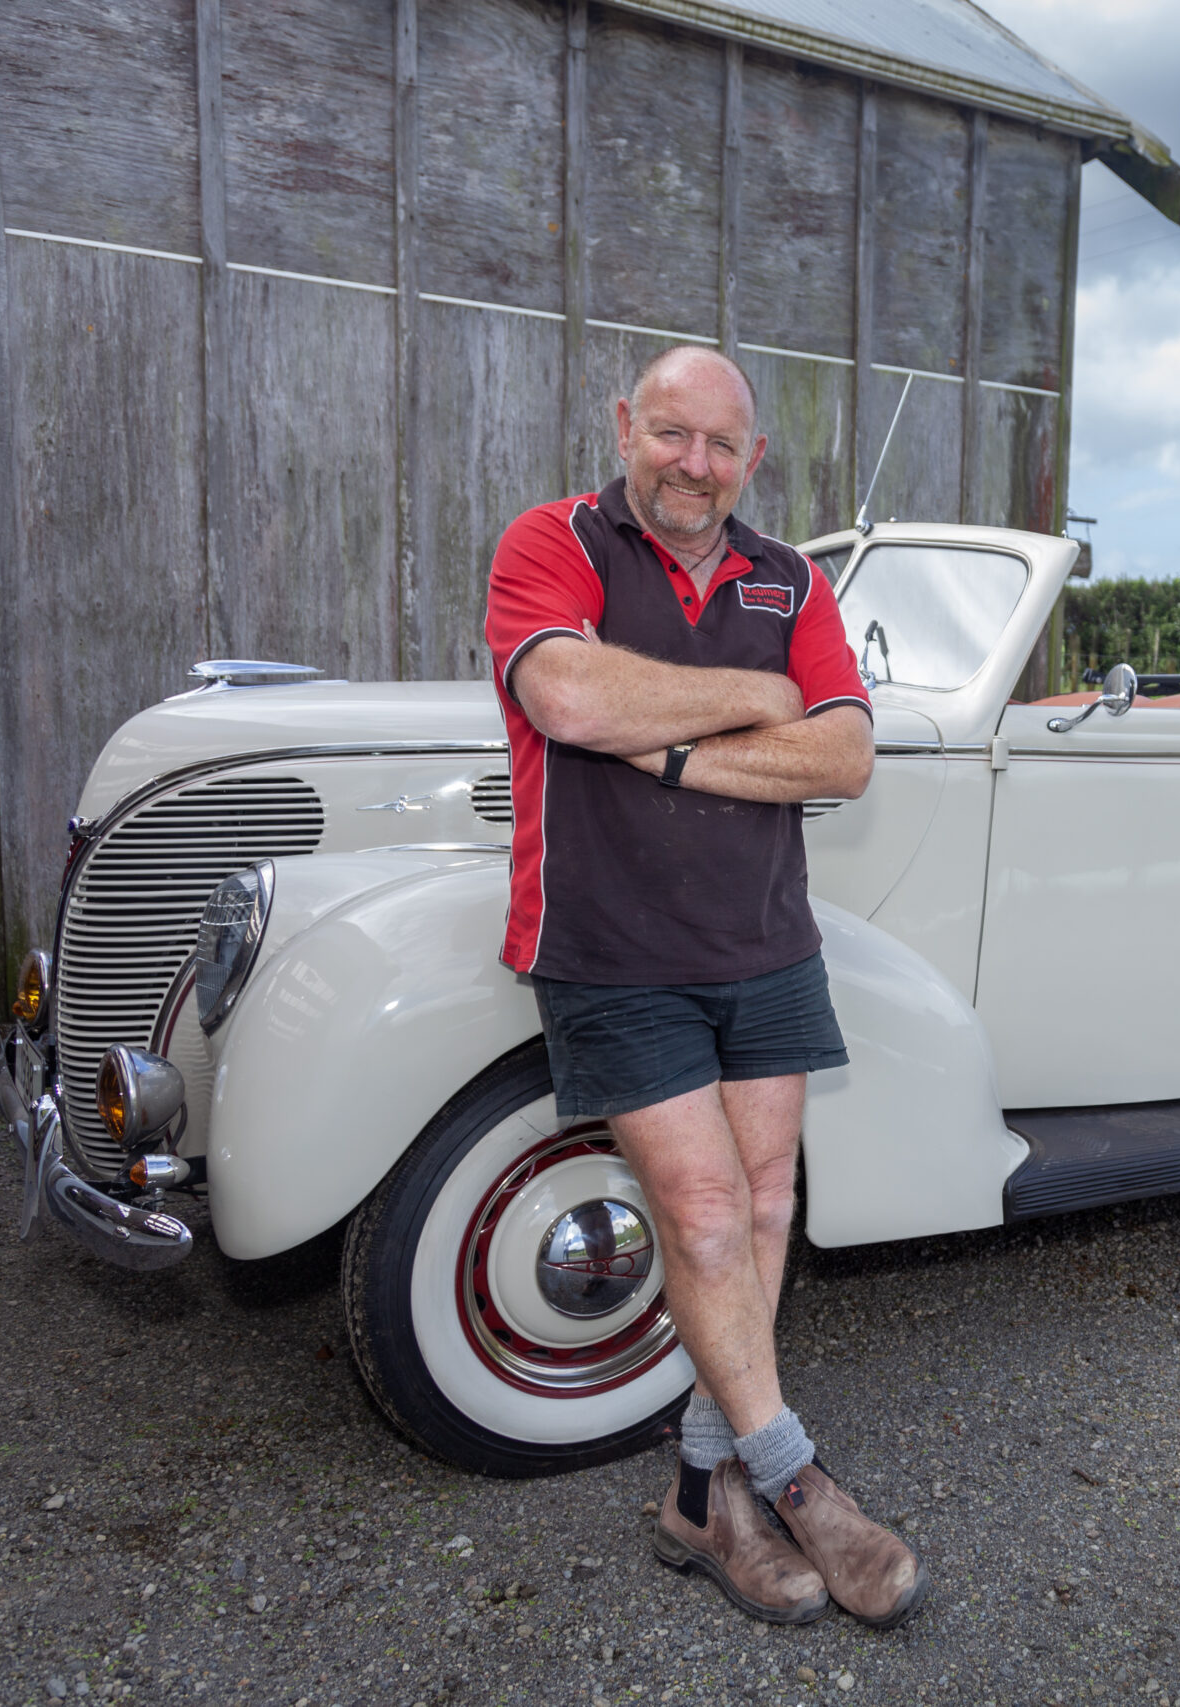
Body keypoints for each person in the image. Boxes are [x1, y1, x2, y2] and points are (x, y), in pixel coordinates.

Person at [482, 345, 926, 1630]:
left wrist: (661, 749)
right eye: (672, 434)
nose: (694, 464)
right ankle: (798, 1483)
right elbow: (565, 691)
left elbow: (842, 756)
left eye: (721, 445)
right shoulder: (551, 543)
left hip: (765, 943)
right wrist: (751, 699)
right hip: (611, 948)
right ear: (627, 425)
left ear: (754, 458)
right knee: (709, 1215)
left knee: (769, 1203)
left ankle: (698, 1491)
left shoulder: (790, 576)